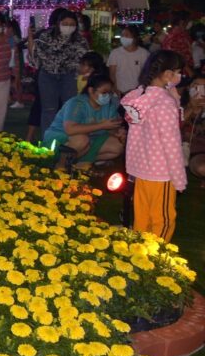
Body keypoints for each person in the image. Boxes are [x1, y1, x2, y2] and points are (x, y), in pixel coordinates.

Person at [121, 50, 187, 241]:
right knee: (163, 220)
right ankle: (157, 253)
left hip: (142, 170)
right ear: (167, 74)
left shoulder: (142, 98)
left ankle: (139, 249)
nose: (180, 76)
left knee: (142, 216)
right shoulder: (164, 103)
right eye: (178, 72)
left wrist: (173, 95)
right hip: (162, 173)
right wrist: (179, 178)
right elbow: (171, 145)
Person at [43, 73, 125, 167]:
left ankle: (77, 164)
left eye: (110, 93)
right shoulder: (77, 103)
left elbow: (111, 127)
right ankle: (60, 166)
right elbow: (70, 129)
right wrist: (101, 125)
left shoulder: (109, 106)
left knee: (117, 147)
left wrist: (118, 133)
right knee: (81, 140)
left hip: (89, 141)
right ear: (91, 90)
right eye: (104, 92)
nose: (107, 96)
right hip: (62, 139)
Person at [29, 9, 88, 132]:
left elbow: (83, 59)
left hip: (69, 76)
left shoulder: (80, 40)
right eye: (65, 24)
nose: (68, 27)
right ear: (58, 23)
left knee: (69, 109)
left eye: (72, 24)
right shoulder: (45, 36)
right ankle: (48, 139)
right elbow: (36, 56)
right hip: (47, 76)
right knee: (49, 109)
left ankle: (66, 137)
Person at [107, 24, 149, 95]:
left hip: (137, 92)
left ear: (135, 38)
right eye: (122, 35)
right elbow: (112, 74)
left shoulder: (144, 53)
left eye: (126, 35)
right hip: (119, 91)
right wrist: (115, 88)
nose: (123, 38)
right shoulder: (115, 53)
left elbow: (146, 73)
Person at [183, 75, 205, 181]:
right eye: (196, 86)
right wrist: (191, 108)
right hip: (186, 152)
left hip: (202, 152)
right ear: (189, 88)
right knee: (201, 167)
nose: (199, 90)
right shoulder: (177, 105)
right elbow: (173, 127)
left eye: (203, 87)